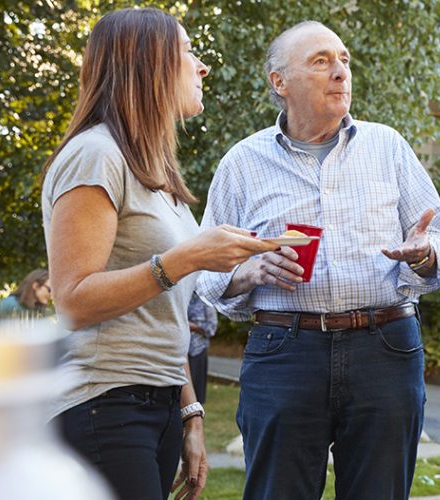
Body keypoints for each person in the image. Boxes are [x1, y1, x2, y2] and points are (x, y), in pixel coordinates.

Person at [196, 21, 440, 500]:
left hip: (386, 348)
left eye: (344, 60)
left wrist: (423, 254)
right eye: (321, 61)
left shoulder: (389, 147)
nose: (340, 72)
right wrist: (246, 272)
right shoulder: (242, 163)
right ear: (280, 82)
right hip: (284, 352)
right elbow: (205, 277)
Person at [41, 8, 278, 500]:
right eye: (188, 51)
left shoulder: (153, 172)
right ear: (148, 64)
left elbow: (163, 319)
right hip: (104, 404)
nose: (202, 66)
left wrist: (190, 412)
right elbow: (73, 301)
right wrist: (189, 258)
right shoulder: (96, 154)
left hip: (160, 402)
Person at [187, 294, 218, 404]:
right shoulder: (183, 297)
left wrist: (193, 327)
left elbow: (212, 328)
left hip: (197, 351)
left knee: (197, 395)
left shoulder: (206, 301)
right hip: (180, 353)